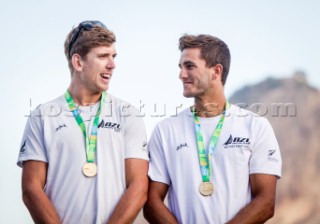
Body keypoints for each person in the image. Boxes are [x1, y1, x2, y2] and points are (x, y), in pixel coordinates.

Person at [17, 20, 149, 224]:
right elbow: (31, 189)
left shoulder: (128, 114)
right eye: (103, 56)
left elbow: (139, 187)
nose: (112, 64)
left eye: (113, 56)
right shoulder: (42, 116)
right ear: (78, 62)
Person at [143, 34, 282, 223]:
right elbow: (151, 202)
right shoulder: (165, 130)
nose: (181, 75)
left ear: (216, 71)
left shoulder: (255, 126)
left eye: (189, 66)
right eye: (181, 67)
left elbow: (266, 202)